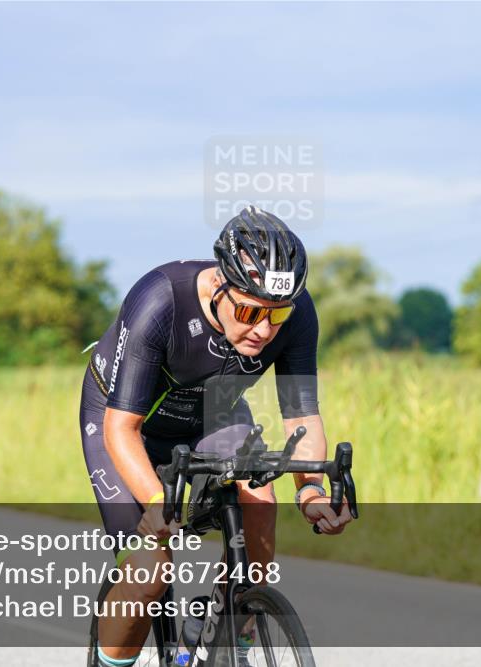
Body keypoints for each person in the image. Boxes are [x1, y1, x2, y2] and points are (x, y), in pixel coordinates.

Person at [80, 205, 353, 667]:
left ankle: (227, 640)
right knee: (149, 572)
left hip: (212, 413)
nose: (263, 330)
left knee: (260, 500)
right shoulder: (160, 299)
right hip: (125, 421)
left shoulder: (298, 312)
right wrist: (155, 503)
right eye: (248, 311)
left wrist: (311, 491)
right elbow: (121, 427)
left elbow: (301, 414)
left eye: (278, 315)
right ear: (220, 284)